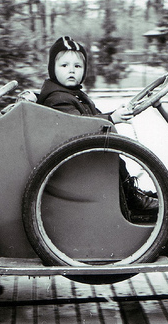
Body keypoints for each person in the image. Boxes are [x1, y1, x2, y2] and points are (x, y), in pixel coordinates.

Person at [37, 36, 158, 217]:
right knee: (112, 154)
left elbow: (92, 117)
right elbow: (78, 126)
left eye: (77, 66)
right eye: (64, 66)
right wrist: (111, 118)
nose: (71, 71)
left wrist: (114, 114)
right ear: (52, 69)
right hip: (73, 165)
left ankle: (128, 194)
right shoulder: (57, 99)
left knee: (113, 153)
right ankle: (131, 200)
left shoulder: (74, 94)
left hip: (80, 157)